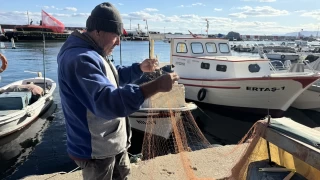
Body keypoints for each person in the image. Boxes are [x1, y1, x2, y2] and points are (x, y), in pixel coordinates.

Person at [57, 2, 179, 180]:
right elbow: (107, 102)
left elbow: (111, 77)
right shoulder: (80, 59)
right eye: (116, 36)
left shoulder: (93, 52)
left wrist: (139, 68)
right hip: (96, 152)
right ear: (98, 31)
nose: (119, 42)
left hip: (112, 144)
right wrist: (156, 86)